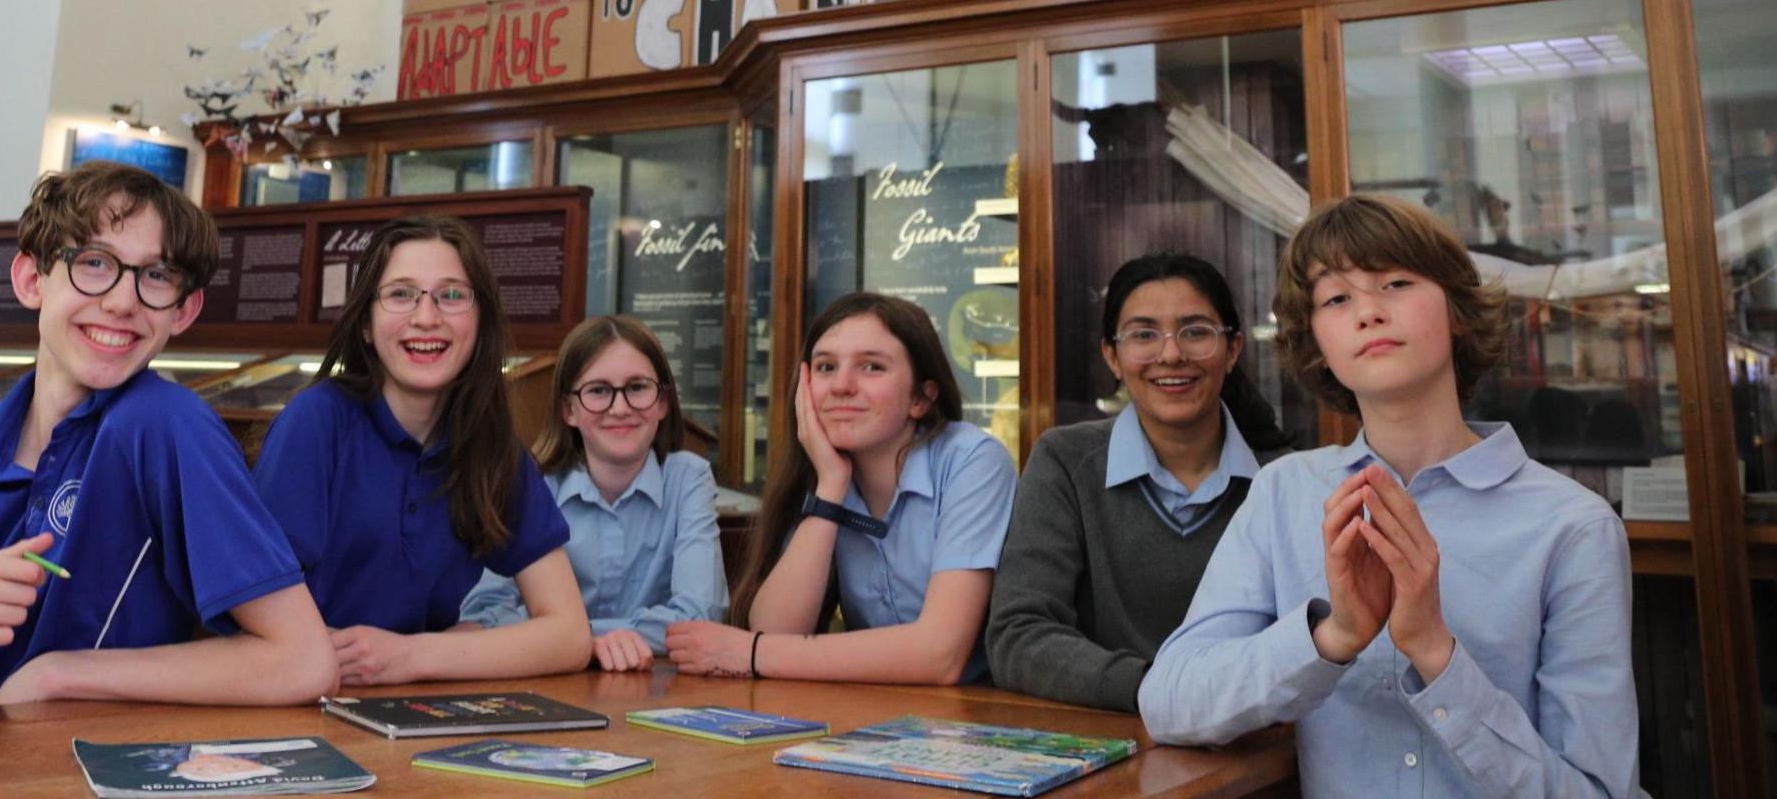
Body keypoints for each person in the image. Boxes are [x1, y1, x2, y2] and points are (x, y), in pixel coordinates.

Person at [1139, 195, 1642, 797]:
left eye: (1397, 282)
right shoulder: (1286, 493)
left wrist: (1435, 651)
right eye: (1337, 298)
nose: (1368, 313)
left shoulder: (1573, 525)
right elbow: (1169, 701)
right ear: (1318, 341)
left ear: (1458, 309)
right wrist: (1333, 637)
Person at [0, 162, 336, 719]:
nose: (121, 301)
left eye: (156, 276)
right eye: (93, 263)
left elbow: (303, 660)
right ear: (31, 280)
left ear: (184, 310)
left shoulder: (164, 425)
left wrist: (56, 673)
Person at [253, 215, 591, 684]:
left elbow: (569, 635)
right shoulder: (318, 421)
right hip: (300, 701)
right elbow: (253, 615)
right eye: (400, 294)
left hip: (412, 706)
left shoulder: (492, 447)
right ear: (367, 326)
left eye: (452, 295)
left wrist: (412, 656)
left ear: (480, 321)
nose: (427, 317)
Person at [987, 253, 1291, 711]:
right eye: (1144, 334)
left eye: (1196, 332)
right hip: (1110, 747)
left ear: (1232, 350)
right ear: (1112, 355)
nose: (1170, 354)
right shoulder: (1065, 462)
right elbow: (1018, 635)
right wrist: (1157, 691)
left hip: (1254, 747)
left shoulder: (1284, 480)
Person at [666, 292, 1015, 685]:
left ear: (921, 397)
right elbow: (777, 631)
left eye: (871, 367)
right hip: (877, 714)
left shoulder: (973, 459)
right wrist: (830, 489)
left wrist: (749, 652)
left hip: (986, 716)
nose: (842, 386)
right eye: (826, 367)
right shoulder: (824, 475)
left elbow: (941, 655)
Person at [458, 315, 727, 671]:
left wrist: (563, 636)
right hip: (542, 687)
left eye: (637, 387)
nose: (620, 407)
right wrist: (586, 643)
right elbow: (485, 615)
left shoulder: (689, 478)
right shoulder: (527, 485)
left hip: (655, 693)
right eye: (598, 390)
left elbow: (700, 617)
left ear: (663, 402)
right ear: (568, 409)